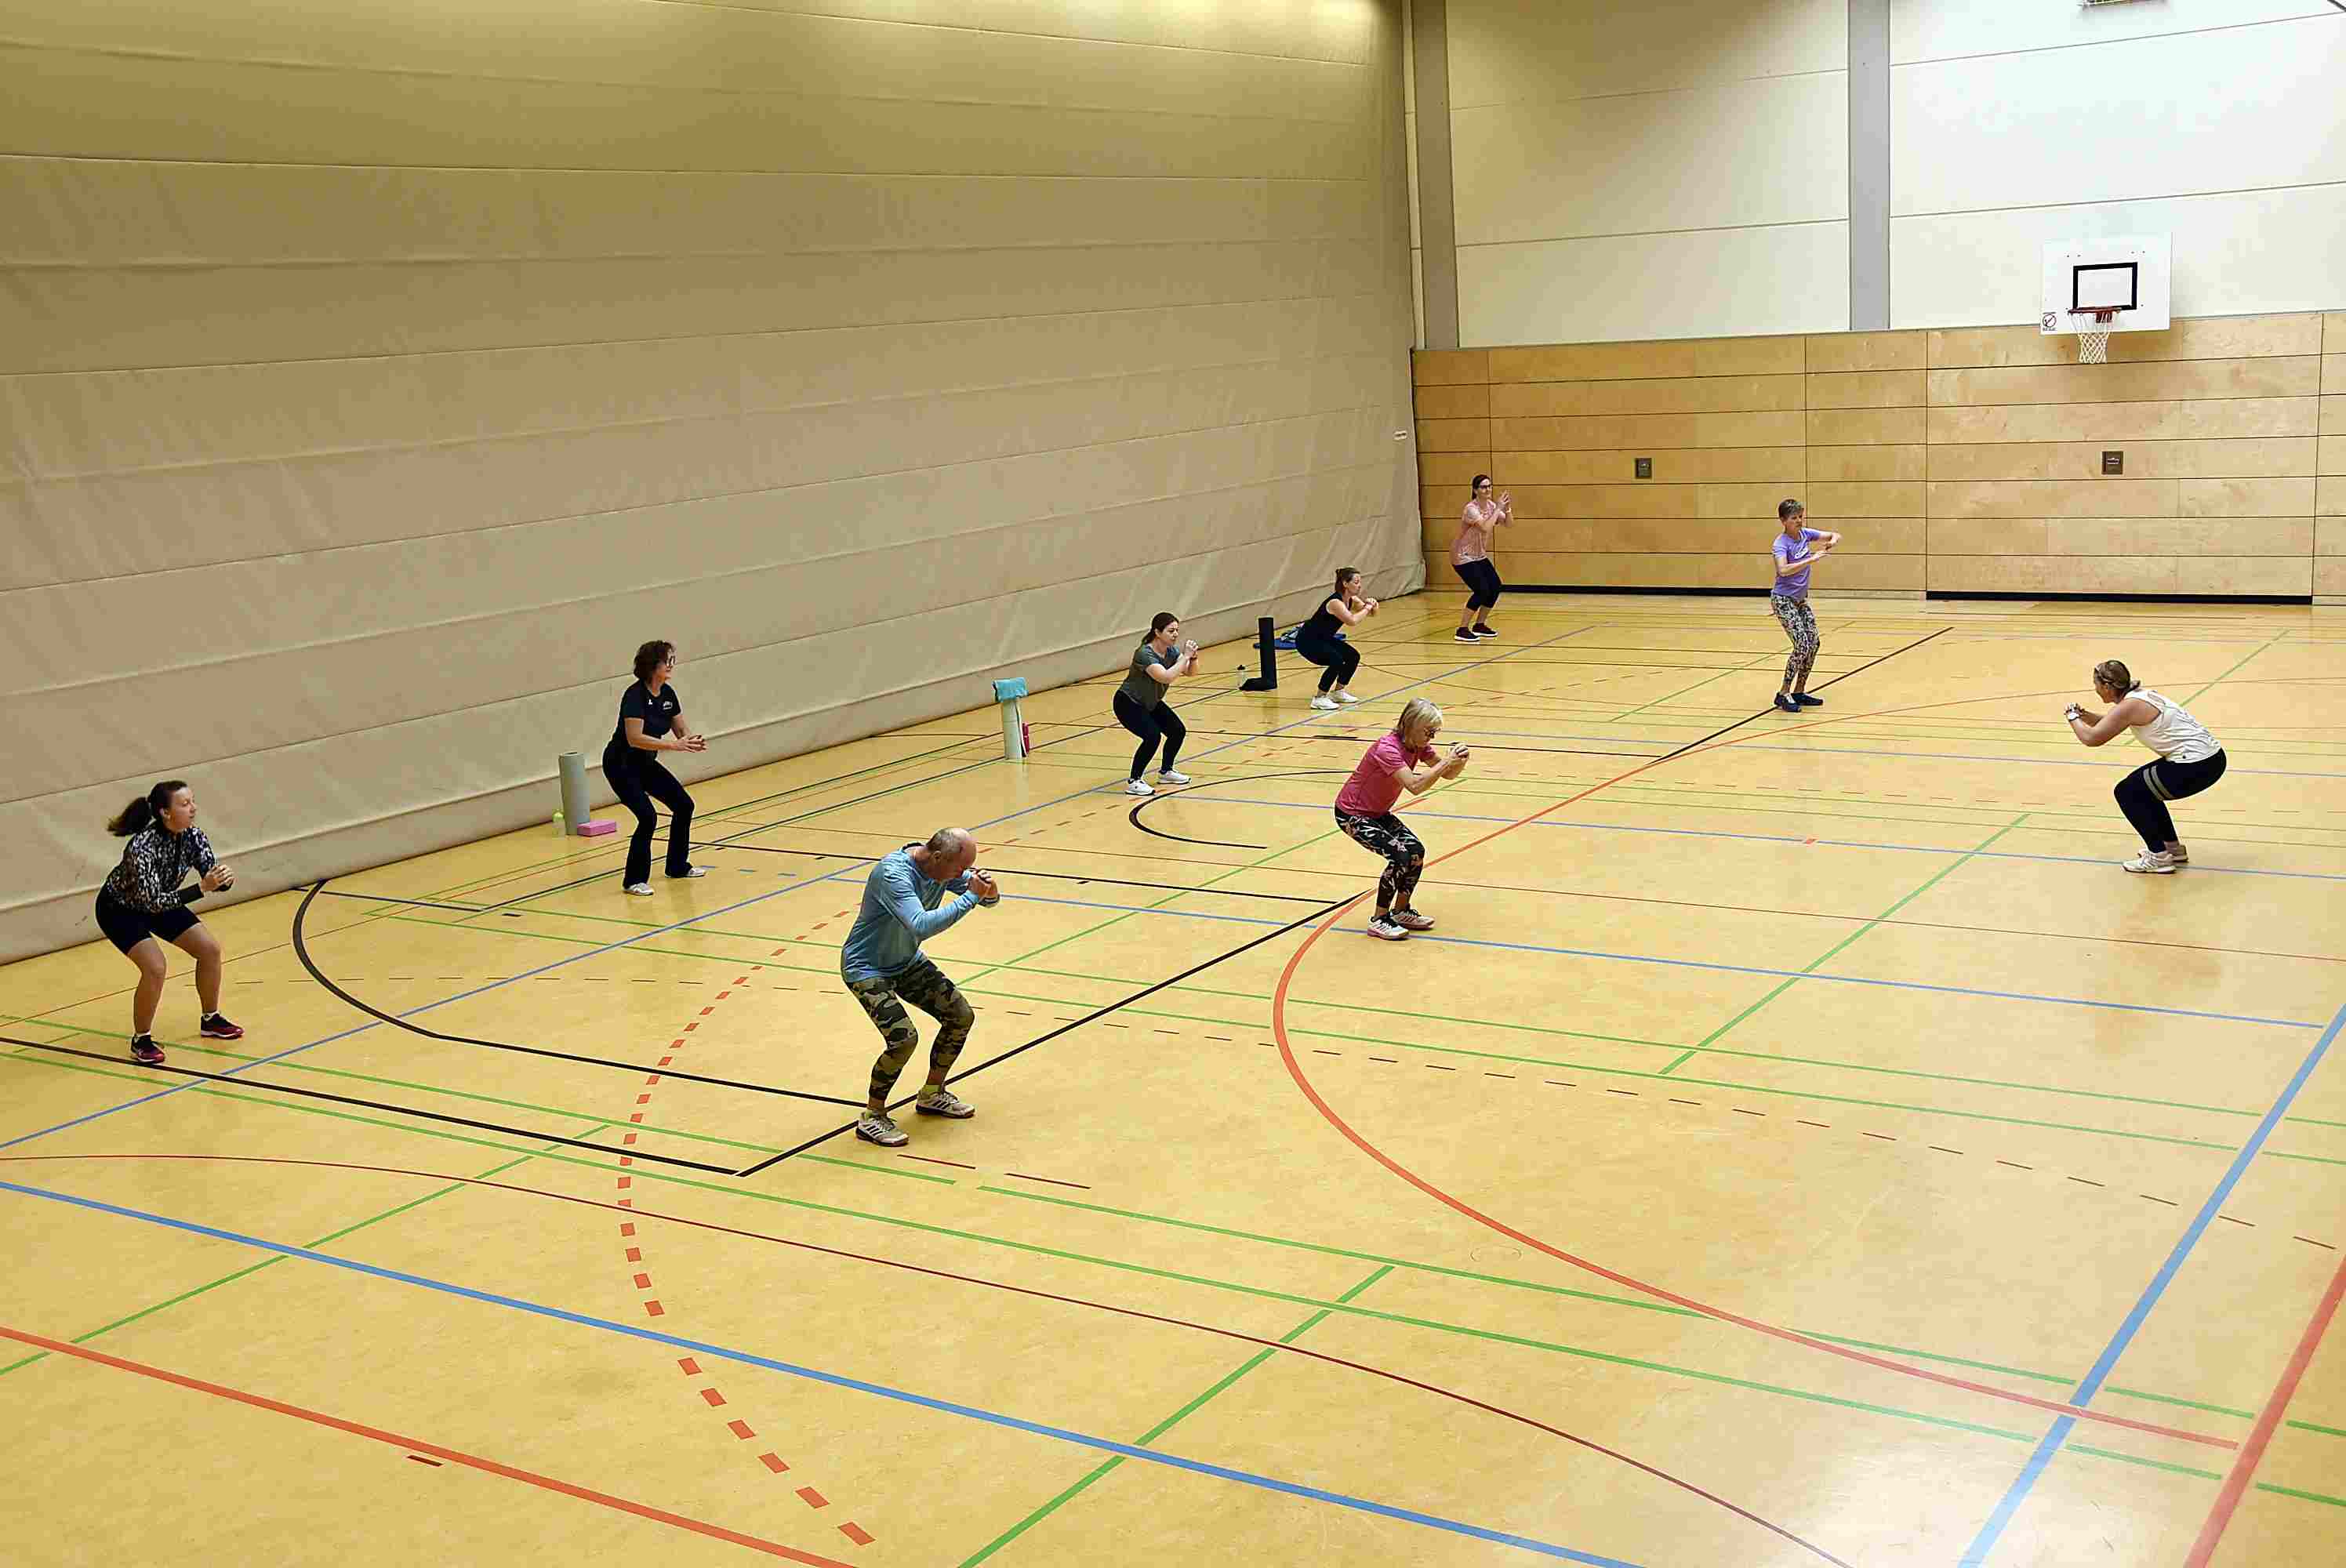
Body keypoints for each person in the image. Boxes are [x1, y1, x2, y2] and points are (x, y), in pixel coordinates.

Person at [839, 828, 1000, 1146]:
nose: (963, 874)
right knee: (903, 1039)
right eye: (960, 868)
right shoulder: (893, 874)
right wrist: (972, 896)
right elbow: (920, 925)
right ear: (937, 856)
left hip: (906, 960)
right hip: (866, 968)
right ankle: (872, 1117)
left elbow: (988, 900)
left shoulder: (940, 867)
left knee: (960, 1017)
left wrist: (989, 891)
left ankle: (932, 1094)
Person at [94, 779, 241, 1065]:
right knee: (156, 967)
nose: (193, 808)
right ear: (165, 812)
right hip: (120, 910)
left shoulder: (194, 836)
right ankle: (141, 1040)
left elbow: (209, 874)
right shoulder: (142, 847)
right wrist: (202, 888)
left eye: (193, 801)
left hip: (162, 900)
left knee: (209, 950)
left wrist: (223, 879)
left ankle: (210, 1019)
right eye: (184, 804)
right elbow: (153, 903)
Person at [2063, 659, 2227, 875]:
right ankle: (2172, 849)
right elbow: (2110, 722)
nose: (2095, 689)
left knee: (2127, 792)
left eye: (2096, 684)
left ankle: (2159, 857)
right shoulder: (2139, 697)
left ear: (2107, 687)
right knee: (2144, 791)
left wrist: (2072, 716)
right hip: (2210, 759)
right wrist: (2085, 716)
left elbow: (2092, 739)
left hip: (2195, 765)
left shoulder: (2129, 706)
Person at [1333, 698, 1469, 942]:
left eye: (1434, 732)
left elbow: (1447, 774)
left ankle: (1401, 911)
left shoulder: (1417, 745)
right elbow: (1415, 785)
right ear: (1411, 725)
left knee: (1416, 852)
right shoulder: (1387, 748)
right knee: (1399, 856)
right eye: (1428, 731)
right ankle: (1379, 920)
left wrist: (1459, 763)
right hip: (1352, 814)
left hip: (1377, 813)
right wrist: (1447, 762)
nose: (1432, 737)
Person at [604, 640, 706, 895]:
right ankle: (634, 881)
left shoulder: (668, 694)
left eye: (672, 660)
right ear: (652, 665)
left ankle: (677, 866)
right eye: (666, 661)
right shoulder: (635, 696)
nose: (671, 665)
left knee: (684, 805)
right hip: (621, 765)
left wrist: (691, 740)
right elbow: (634, 738)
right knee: (648, 817)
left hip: (645, 763)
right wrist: (673, 745)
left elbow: (680, 729)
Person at [1113, 612, 1199, 797]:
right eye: (1171, 631)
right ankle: (1134, 781)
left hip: (1150, 702)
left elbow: (1190, 673)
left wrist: (1192, 658)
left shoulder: (1171, 652)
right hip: (1128, 703)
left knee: (1177, 731)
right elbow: (1165, 677)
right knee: (1152, 736)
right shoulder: (1145, 654)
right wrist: (1185, 657)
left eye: (1177, 630)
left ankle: (1166, 772)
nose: (1175, 634)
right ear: (1157, 632)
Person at [1769, 499, 1841, 713]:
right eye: (1794, 518)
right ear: (1783, 521)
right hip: (1783, 600)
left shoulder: (1805, 534)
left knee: (1814, 643)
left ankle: (1799, 691)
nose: (1799, 521)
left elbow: (1835, 534)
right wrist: (1811, 559)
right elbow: (1783, 570)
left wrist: (1832, 542)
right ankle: (1783, 694)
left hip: (1800, 601)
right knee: (1801, 644)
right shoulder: (1781, 544)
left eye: (1800, 516)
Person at [1296, 568, 1378, 710]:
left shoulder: (1352, 600)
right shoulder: (1335, 602)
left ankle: (1338, 692)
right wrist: (1367, 608)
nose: (1359, 586)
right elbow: (1352, 621)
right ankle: (1319, 698)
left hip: (1324, 639)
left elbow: (1372, 614)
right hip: (1308, 641)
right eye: (1356, 582)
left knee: (1353, 656)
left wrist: (1373, 605)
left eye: (1360, 582)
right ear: (1345, 584)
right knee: (1336, 660)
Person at [1454, 476, 1510, 643]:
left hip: (1479, 555)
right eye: (1484, 487)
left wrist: (1507, 510)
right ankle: (1462, 629)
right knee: (1482, 590)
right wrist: (1498, 509)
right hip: (1462, 555)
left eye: (1489, 486)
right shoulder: (1471, 509)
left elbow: (1508, 524)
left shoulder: (1491, 506)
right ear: (1475, 490)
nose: (1488, 489)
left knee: (1495, 586)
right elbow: (1485, 528)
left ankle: (1479, 625)